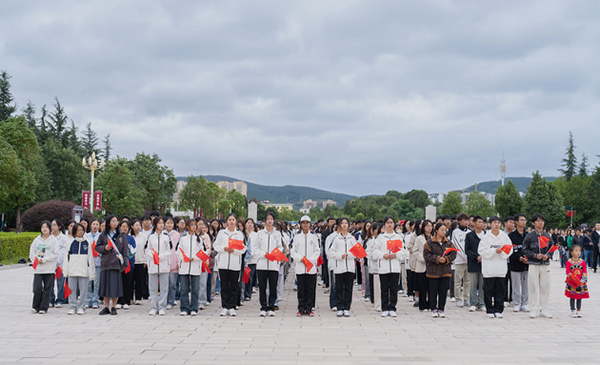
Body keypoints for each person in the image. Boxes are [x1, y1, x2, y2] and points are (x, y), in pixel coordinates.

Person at [478, 217, 512, 318]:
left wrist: (502, 253)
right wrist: (493, 251)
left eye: (498, 223)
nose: (496, 225)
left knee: (500, 290)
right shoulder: (486, 237)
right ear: (490, 224)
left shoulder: (504, 236)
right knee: (488, 290)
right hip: (489, 268)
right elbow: (481, 251)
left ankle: (498, 309)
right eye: (494, 223)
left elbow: (509, 249)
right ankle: (489, 310)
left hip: (500, 268)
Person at [95, 215, 129, 315]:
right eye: (113, 221)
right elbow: (97, 247)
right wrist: (104, 248)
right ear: (108, 223)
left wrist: (125, 263)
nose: (115, 223)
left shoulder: (121, 235)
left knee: (115, 287)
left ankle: (114, 306)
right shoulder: (103, 235)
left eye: (116, 221)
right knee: (105, 287)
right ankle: (106, 307)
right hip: (106, 263)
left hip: (116, 264)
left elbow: (125, 250)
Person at [213, 213, 246, 317]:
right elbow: (216, 245)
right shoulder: (222, 233)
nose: (231, 221)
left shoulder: (239, 234)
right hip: (223, 263)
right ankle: (224, 306)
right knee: (224, 286)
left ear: (236, 221)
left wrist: (234, 250)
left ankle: (232, 306)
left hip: (235, 264)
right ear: (226, 222)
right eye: (229, 220)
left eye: (233, 219)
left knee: (234, 286)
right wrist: (224, 249)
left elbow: (243, 248)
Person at [522, 213, 553, 319]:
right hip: (534, 264)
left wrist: (547, 256)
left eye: (542, 221)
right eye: (538, 221)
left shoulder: (547, 235)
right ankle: (533, 308)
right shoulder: (530, 236)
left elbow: (551, 249)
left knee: (545, 286)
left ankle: (544, 308)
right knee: (533, 286)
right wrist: (535, 255)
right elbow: (525, 249)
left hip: (545, 265)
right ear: (533, 223)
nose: (541, 223)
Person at [423, 223, 457, 318]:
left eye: (445, 230)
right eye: (441, 230)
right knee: (433, 291)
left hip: (445, 271)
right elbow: (426, 255)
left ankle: (441, 308)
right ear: (436, 230)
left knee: (443, 291)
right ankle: (433, 308)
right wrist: (437, 259)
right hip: (433, 271)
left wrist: (446, 259)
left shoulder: (449, 243)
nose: (443, 232)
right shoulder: (430, 243)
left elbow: (453, 254)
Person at [372, 216, 403, 318]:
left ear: (394, 224)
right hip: (384, 266)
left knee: (394, 288)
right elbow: (375, 251)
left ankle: (392, 307)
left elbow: (403, 251)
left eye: (391, 222)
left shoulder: (398, 237)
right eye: (388, 223)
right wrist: (383, 255)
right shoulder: (380, 237)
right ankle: (385, 307)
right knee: (384, 288)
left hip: (394, 266)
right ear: (384, 225)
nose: (389, 224)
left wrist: (396, 255)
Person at [253, 212, 284, 317]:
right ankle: (263, 307)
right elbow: (255, 249)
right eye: (268, 219)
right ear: (264, 221)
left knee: (273, 286)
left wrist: (275, 254)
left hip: (273, 265)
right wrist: (264, 255)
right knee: (262, 287)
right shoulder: (259, 234)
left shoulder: (277, 234)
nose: (270, 221)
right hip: (262, 264)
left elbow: (281, 247)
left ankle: (271, 307)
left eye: (271, 219)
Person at [291, 215, 320, 317]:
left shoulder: (314, 237)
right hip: (300, 265)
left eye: (307, 222)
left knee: (310, 288)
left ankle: (309, 308)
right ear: (300, 224)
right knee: (301, 289)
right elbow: (293, 251)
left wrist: (310, 260)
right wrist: (301, 259)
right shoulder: (297, 237)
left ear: (310, 224)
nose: (305, 224)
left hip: (310, 267)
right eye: (303, 223)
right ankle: (301, 308)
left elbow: (317, 251)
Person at [64, 223, 95, 315]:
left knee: (83, 289)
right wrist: (66, 271)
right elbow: (66, 258)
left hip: (83, 270)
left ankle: (81, 307)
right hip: (72, 269)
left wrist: (91, 273)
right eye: (79, 230)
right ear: (74, 231)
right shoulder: (70, 242)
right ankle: (72, 306)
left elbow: (90, 258)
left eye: (82, 230)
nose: (81, 232)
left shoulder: (87, 242)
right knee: (72, 289)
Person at [329, 217, 358, 317]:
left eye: (346, 223)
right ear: (340, 225)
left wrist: (349, 255)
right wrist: (340, 256)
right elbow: (331, 252)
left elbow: (357, 252)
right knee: (339, 288)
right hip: (339, 266)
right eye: (343, 223)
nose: (344, 225)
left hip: (349, 266)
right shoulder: (336, 239)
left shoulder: (352, 238)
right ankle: (339, 307)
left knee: (348, 288)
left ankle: (347, 307)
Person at [29, 221, 59, 314]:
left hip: (49, 268)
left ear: (50, 229)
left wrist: (45, 259)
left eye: (46, 227)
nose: (44, 229)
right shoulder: (37, 240)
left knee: (47, 288)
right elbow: (32, 253)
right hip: (38, 268)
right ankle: (35, 306)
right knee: (37, 288)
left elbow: (55, 254)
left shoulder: (54, 240)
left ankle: (43, 307)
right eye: (42, 227)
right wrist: (36, 260)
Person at [145, 216, 172, 316]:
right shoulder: (150, 237)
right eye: (159, 223)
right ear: (155, 225)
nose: (161, 225)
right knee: (153, 287)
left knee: (164, 287)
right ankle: (153, 307)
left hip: (164, 264)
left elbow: (170, 250)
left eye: (162, 223)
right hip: (153, 264)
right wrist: (153, 256)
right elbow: (147, 249)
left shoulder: (166, 236)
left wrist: (161, 256)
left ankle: (162, 307)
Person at [177, 219, 202, 316]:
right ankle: (184, 308)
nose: (194, 227)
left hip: (195, 266)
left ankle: (194, 308)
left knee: (195, 289)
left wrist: (194, 258)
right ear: (187, 227)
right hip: (184, 266)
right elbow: (178, 251)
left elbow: (202, 252)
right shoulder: (183, 239)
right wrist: (185, 258)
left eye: (195, 225)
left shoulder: (199, 239)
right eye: (192, 225)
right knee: (184, 289)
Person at [508, 214, 529, 312]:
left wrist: (528, 258)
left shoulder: (528, 235)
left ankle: (525, 303)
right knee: (516, 285)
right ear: (516, 222)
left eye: (525, 220)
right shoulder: (511, 236)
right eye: (521, 220)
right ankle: (516, 303)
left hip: (527, 265)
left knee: (526, 285)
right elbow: (509, 251)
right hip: (515, 265)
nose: (523, 222)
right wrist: (519, 258)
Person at [465, 216, 486, 312]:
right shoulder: (469, 235)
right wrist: (476, 256)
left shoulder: (486, 235)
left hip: (484, 262)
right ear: (474, 223)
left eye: (482, 222)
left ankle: (481, 303)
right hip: (473, 262)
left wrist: (483, 256)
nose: (481, 224)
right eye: (479, 222)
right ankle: (473, 302)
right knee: (473, 283)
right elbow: (467, 249)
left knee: (482, 284)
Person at [451, 213, 470, 308]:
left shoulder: (470, 232)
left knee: (468, 281)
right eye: (464, 220)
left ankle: (467, 298)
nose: (466, 222)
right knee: (458, 281)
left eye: (467, 220)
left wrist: (470, 257)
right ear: (459, 221)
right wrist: (466, 256)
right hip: (459, 260)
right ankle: (458, 299)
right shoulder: (455, 232)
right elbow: (456, 246)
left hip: (469, 261)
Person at [565, 245, 589, 318]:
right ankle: (572, 310)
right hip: (572, 282)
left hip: (580, 282)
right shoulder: (569, 262)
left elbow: (584, 271)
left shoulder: (582, 262)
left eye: (579, 251)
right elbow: (568, 271)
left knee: (579, 296)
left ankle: (578, 310)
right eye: (576, 251)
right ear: (572, 252)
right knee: (572, 296)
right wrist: (572, 279)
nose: (578, 252)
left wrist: (582, 280)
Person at [50, 219, 69, 308]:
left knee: (60, 283)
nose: (52, 227)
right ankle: (51, 299)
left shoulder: (64, 238)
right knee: (50, 283)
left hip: (60, 264)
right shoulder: (49, 237)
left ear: (59, 227)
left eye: (54, 225)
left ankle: (60, 299)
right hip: (49, 264)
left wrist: (57, 261)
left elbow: (63, 252)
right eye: (52, 225)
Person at [414, 220, 432, 312]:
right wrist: (422, 258)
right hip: (421, 264)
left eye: (430, 226)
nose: (429, 228)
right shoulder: (419, 238)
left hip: (432, 265)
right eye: (427, 226)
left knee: (431, 286)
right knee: (422, 286)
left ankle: (430, 304)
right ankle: (422, 305)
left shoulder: (434, 238)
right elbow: (415, 250)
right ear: (423, 227)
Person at [117, 220, 136, 309]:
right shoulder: (117, 237)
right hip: (118, 264)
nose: (124, 228)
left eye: (126, 227)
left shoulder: (131, 238)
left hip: (128, 263)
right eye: (123, 226)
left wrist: (126, 259)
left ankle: (126, 301)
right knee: (119, 283)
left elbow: (133, 251)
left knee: (128, 283)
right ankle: (119, 301)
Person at [195, 218, 212, 310]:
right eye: (199, 224)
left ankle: (202, 301)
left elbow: (208, 248)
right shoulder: (192, 236)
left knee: (203, 282)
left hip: (204, 261)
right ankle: (194, 300)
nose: (201, 226)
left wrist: (202, 256)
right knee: (194, 282)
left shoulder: (206, 236)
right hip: (194, 261)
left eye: (202, 225)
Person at [85, 219, 101, 309]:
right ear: (90, 226)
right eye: (93, 224)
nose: (95, 226)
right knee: (88, 283)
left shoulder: (101, 236)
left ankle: (95, 301)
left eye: (97, 224)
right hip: (88, 263)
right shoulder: (86, 236)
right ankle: (88, 300)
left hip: (98, 262)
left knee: (96, 283)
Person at [131, 220, 148, 305]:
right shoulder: (130, 236)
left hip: (141, 261)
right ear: (132, 226)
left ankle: (138, 297)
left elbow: (146, 249)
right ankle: (130, 297)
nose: (138, 227)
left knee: (139, 280)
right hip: (131, 261)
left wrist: (145, 261)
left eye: (139, 225)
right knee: (130, 280)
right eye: (136, 225)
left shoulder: (144, 236)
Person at [243, 218, 259, 302]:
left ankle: (248, 294)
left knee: (249, 277)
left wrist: (253, 254)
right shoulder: (243, 234)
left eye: (251, 223)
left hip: (252, 260)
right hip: (244, 259)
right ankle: (243, 293)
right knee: (244, 278)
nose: (249, 224)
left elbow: (257, 247)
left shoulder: (256, 235)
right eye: (248, 223)